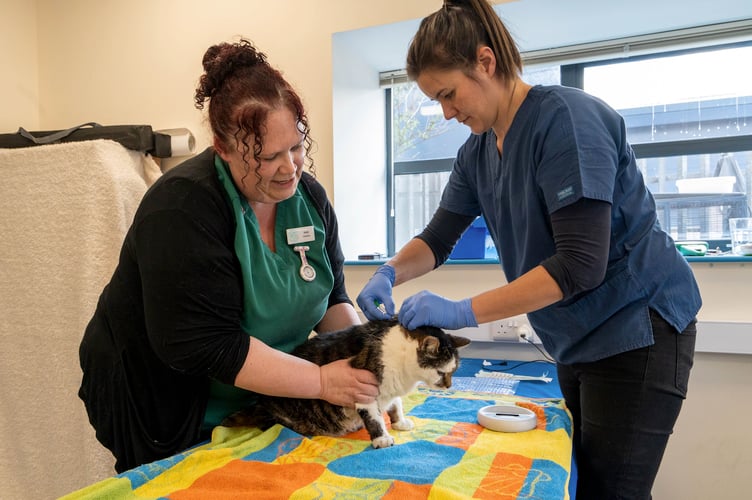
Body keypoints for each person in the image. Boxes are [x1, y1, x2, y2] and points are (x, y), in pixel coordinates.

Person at [356, 1, 701, 498]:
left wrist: (461, 311)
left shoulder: (568, 122)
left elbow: (580, 265)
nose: (447, 112)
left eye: (449, 94)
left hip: (637, 326)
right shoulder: (477, 151)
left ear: (486, 62)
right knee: (578, 476)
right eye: (437, 100)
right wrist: (388, 272)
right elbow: (437, 238)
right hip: (574, 337)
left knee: (613, 489)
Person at [79, 38, 379, 473]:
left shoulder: (308, 198)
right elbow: (209, 346)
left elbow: (331, 300)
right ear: (222, 148)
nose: (290, 167)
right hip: (166, 400)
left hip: (265, 396)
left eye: (296, 147)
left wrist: (368, 357)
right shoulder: (182, 208)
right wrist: (320, 380)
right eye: (266, 156)